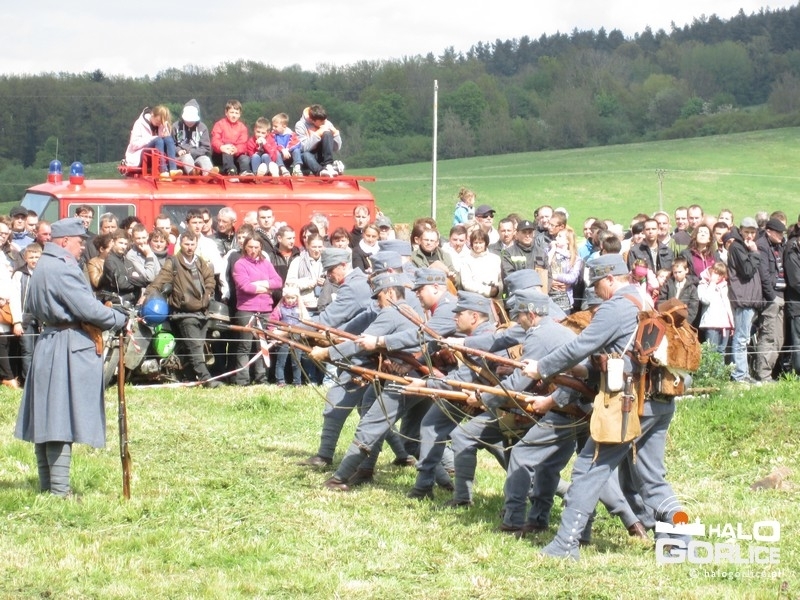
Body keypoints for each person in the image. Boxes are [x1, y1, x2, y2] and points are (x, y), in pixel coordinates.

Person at [522, 254, 687, 561]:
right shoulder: (644, 300)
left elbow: (579, 346)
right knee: (652, 478)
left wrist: (542, 368)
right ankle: (681, 540)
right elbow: (623, 355)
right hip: (657, 401)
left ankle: (565, 544)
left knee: (588, 469)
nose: (596, 291)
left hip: (628, 404)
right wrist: (581, 371)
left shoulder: (616, 306)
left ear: (610, 279)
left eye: (597, 284)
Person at [14, 217, 126, 496]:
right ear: (64, 241)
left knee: (47, 417)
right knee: (59, 420)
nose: (83, 247)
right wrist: (119, 318)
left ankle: (48, 488)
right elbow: (87, 309)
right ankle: (59, 491)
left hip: (49, 341)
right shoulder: (62, 267)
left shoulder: (44, 263)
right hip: (65, 344)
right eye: (79, 242)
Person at [144, 230, 219, 387]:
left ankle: (189, 377)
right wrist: (147, 295)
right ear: (180, 244)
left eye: (192, 244)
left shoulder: (200, 261)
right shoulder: (173, 262)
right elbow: (159, 281)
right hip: (184, 314)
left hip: (202, 312)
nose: (190, 247)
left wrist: (208, 293)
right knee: (195, 348)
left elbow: (210, 278)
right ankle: (207, 380)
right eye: (186, 244)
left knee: (194, 347)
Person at [230, 235, 283, 386]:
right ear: (245, 247)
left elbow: (278, 282)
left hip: (265, 309)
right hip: (246, 310)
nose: (253, 250)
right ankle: (243, 380)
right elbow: (245, 287)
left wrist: (259, 284)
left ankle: (261, 378)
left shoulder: (266, 263)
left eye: (256, 247)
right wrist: (266, 288)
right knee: (245, 346)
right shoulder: (240, 264)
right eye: (250, 247)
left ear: (260, 248)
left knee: (262, 346)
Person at [724, 218, 762, 384]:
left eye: (753, 232)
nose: (750, 235)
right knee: (741, 338)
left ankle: (744, 373)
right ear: (740, 231)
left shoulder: (744, 247)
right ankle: (740, 375)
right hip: (743, 298)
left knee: (744, 338)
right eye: (746, 232)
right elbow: (747, 271)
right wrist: (755, 252)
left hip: (749, 298)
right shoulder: (737, 247)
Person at [754, 217, 787, 381]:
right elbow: (764, 275)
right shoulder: (762, 246)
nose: (781, 235)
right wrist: (772, 297)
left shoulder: (778, 246)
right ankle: (763, 374)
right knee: (768, 336)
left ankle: (768, 372)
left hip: (781, 296)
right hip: (771, 299)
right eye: (778, 232)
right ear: (768, 232)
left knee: (779, 338)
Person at [12, 243, 43, 381]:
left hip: (42, 318)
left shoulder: (45, 274)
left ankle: (41, 380)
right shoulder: (19, 274)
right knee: (27, 351)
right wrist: (17, 322)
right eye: (31, 257)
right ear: (25, 258)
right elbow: (14, 298)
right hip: (25, 318)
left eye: (37, 257)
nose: (34, 260)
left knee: (41, 351)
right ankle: (28, 382)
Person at [125, 105, 179, 179]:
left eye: (160, 123)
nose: (158, 124)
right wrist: (152, 139)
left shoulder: (161, 125)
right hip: (140, 153)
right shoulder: (139, 123)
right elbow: (134, 145)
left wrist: (164, 130)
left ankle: (173, 169)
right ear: (152, 115)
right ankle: (162, 170)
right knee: (158, 140)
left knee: (168, 139)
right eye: (157, 122)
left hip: (156, 152)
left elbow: (164, 141)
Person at [270, 285, 308, 386]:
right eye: (288, 298)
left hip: (297, 338)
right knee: (281, 361)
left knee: (297, 361)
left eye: (293, 298)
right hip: (283, 338)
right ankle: (280, 381)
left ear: (297, 298)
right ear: (284, 297)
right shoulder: (279, 308)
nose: (290, 300)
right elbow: (272, 323)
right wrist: (275, 334)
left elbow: (306, 322)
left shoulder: (300, 309)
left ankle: (297, 382)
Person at [295, 104, 343, 177]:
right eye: (321, 121)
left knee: (327, 133)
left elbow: (336, 148)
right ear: (312, 120)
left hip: (322, 156)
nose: (324, 122)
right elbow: (303, 148)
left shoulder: (326, 122)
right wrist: (317, 134)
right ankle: (321, 172)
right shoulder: (300, 125)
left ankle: (328, 165)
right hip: (308, 157)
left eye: (325, 120)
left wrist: (336, 134)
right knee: (305, 155)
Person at [697, 262, 734, 355]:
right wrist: (712, 283)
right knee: (711, 352)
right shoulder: (702, 284)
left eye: (721, 275)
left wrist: (731, 324)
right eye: (716, 273)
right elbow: (705, 300)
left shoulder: (724, 286)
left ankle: (721, 366)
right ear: (711, 271)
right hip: (711, 324)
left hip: (725, 324)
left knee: (721, 352)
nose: (718, 277)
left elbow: (727, 305)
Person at [172, 99, 215, 175]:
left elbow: (206, 148)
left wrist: (192, 152)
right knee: (187, 157)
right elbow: (171, 144)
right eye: (187, 120)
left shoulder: (202, 128)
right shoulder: (176, 126)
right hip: (181, 157)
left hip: (198, 156)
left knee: (205, 159)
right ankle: (192, 173)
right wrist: (178, 150)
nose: (189, 122)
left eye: (192, 120)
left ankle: (209, 175)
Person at [548, 226, 583, 315]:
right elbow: (544, 268)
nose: (556, 238)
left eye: (560, 236)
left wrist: (554, 276)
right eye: (557, 236)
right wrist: (552, 250)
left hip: (564, 298)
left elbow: (572, 278)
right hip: (548, 295)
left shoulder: (575, 258)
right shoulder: (548, 252)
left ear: (568, 240)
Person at [211, 99, 250, 176]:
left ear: (239, 114)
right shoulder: (219, 124)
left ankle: (245, 173)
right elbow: (215, 140)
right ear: (226, 112)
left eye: (236, 113)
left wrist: (236, 149)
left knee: (245, 158)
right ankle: (231, 171)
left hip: (235, 154)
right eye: (232, 112)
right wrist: (221, 147)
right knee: (227, 148)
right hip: (221, 155)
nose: (234, 115)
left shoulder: (242, 127)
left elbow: (244, 144)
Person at [460, 228, 502, 298]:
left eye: (480, 243)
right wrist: (488, 291)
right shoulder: (465, 260)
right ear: (472, 244)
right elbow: (466, 283)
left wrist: (497, 290)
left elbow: (501, 279)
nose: (478, 245)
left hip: (495, 297)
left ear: (486, 243)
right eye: (475, 243)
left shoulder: (495, 259)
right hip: (475, 298)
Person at [658, 257, 700, 325]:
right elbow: (661, 301)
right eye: (675, 272)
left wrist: (686, 322)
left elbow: (693, 307)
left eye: (680, 272)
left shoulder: (692, 288)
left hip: (684, 322)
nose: (677, 275)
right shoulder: (667, 285)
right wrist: (665, 317)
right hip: (667, 319)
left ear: (686, 270)